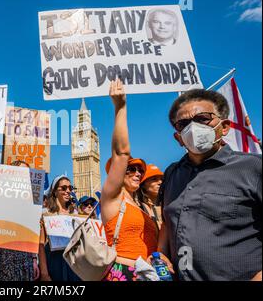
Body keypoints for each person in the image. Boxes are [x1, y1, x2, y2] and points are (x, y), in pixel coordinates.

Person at [157, 89, 262, 281]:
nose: (193, 127)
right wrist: (161, 253)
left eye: (203, 118)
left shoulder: (254, 167)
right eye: (183, 124)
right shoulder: (172, 174)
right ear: (178, 138)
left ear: (224, 127)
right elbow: (167, 222)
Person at [101, 79, 158, 281]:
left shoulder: (143, 206)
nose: (136, 173)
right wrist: (120, 107)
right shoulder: (113, 198)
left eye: (139, 171)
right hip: (124, 273)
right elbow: (121, 153)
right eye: (130, 169)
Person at [0, 160, 40, 281]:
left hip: (25, 256)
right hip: (3, 255)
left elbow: (31, 233)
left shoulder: (31, 202)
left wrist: (34, 260)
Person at [38, 175, 80, 281]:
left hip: (73, 264)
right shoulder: (45, 214)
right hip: (54, 263)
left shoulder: (75, 214)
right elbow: (41, 244)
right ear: (55, 191)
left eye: (70, 188)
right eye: (64, 188)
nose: (68, 191)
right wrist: (44, 273)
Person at [137, 164, 164, 229]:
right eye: (154, 179)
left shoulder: (168, 206)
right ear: (143, 185)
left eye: (162, 179)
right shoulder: (138, 208)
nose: (160, 182)